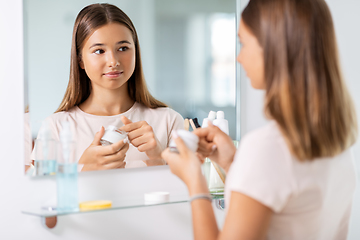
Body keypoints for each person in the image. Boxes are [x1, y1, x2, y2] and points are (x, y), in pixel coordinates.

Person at [162, 0, 358, 239]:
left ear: (274, 48)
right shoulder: (335, 144)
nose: (239, 57)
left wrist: (194, 178)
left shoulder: (267, 148)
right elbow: (284, 201)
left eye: (243, 43)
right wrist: (233, 161)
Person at [32, 3, 183, 171]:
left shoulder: (169, 121)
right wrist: (84, 169)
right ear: (80, 60)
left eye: (123, 48)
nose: (113, 61)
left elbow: (190, 192)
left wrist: (158, 158)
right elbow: (40, 196)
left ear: (136, 52)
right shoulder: (55, 128)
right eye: (99, 51)